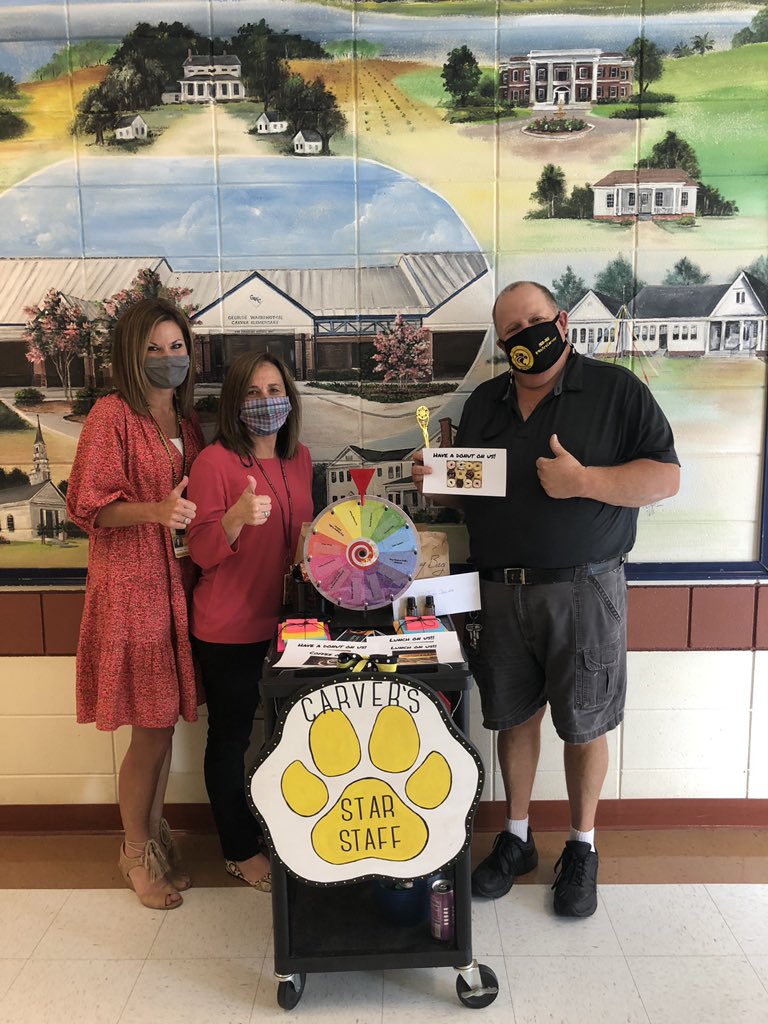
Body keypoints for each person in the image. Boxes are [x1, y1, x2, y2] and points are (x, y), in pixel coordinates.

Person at [412, 281, 680, 917]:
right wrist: (437, 482)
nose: (524, 337)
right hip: (500, 589)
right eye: (510, 332)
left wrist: (583, 480)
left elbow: (666, 477)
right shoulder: (485, 403)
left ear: (560, 321)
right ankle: (517, 837)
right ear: (502, 343)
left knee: (585, 723)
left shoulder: (616, 391)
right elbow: (471, 493)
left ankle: (582, 848)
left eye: (533, 321)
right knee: (512, 718)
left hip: (584, 588)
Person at [67, 297, 205, 910]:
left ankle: (153, 838)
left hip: (178, 586)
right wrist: (155, 510)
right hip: (133, 588)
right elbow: (88, 506)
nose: (167, 357)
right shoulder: (112, 415)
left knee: (163, 723)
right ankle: (133, 851)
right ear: (130, 352)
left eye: (176, 347)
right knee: (149, 729)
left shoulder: (187, 420)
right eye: (153, 348)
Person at [187, 352, 314, 891]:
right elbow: (200, 551)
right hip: (230, 627)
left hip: (291, 626)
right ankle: (239, 849)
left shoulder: (300, 457)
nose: (267, 402)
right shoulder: (214, 463)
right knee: (232, 738)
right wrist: (235, 520)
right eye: (253, 392)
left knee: (293, 735)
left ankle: (289, 831)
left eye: (275, 389)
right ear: (234, 403)